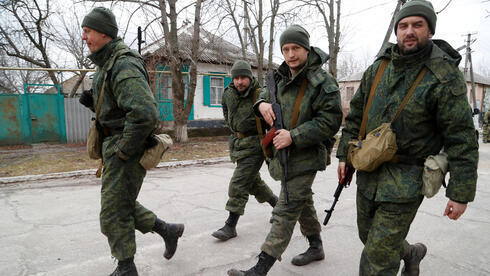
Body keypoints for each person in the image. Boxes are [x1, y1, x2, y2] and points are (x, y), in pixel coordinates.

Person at [336, 1, 479, 275]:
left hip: (406, 181)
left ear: (430, 31)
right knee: (369, 237)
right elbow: (355, 116)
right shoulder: (378, 68)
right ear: (397, 30)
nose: (409, 31)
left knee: (376, 260)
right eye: (403, 26)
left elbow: (461, 138)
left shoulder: (443, 77)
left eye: (417, 25)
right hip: (369, 172)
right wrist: (345, 155)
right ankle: (411, 253)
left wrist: (460, 194)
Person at [227, 25, 343, 276]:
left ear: (306, 48)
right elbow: (264, 96)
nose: (290, 54)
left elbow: (330, 122)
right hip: (283, 156)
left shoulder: (322, 82)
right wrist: (261, 104)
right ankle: (316, 246)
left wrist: (294, 136)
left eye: (296, 48)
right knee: (302, 202)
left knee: (286, 208)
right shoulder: (278, 78)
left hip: (307, 155)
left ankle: (259, 269)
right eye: (286, 49)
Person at [79, 7, 184, 276]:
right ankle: (167, 230)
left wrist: (125, 151)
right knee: (120, 204)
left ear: (104, 32)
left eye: (88, 31)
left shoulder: (122, 62)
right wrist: (97, 106)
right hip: (113, 146)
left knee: (113, 213)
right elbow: (121, 109)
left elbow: (144, 113)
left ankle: (127, 268)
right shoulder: (106, 64)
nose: (84, 37)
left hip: (124, 148)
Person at [212, 60, 278, 241]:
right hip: (237, 144)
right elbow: (227, 115)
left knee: (239, 184)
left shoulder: (260, 94)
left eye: (243, 77)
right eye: (236, 78)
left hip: (255, 145)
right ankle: (277, 205)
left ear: (249, 77)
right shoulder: (228, 94)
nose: (239, 82)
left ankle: (230, 225)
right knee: (253, 183)